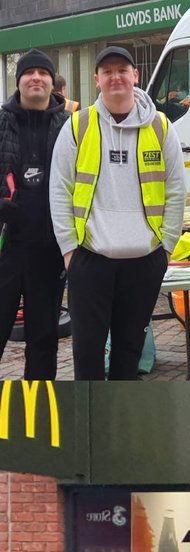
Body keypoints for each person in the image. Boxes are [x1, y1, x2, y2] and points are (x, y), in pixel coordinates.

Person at [49, 46, 185, 381]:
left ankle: (120, 425)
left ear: (135, 75)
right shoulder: (78, 126)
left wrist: (165, 248)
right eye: (107, 72)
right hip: (90, 258)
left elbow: (176, 189)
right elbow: (59, 189)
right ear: (97, 80)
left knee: (129, 353)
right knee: (87, 353)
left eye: (122, 70)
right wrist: (69, 250)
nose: (115, 77)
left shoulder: (160, 126)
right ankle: (92, 428)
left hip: (144, 261)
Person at [0, 51, 70, 380]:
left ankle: (38, 410)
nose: (36, 78)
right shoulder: (1, 121)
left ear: (52, 81)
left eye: (43, 72)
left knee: (43, 339)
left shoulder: (70, 126)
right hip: (7, 249)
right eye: (29, 73)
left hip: (49, 252)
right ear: (19, 81)